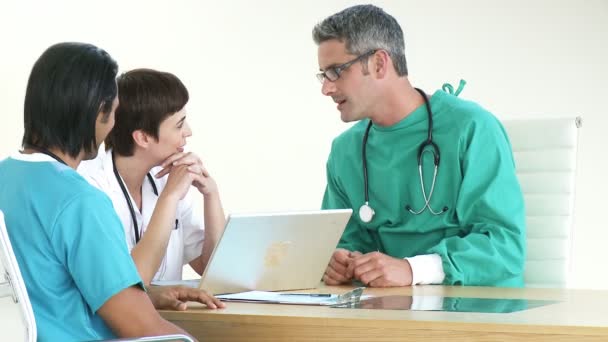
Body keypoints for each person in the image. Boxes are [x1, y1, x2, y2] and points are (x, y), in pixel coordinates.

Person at [0, 42, 223, 342]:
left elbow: (50, 292)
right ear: (95, 113)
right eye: (113, 112)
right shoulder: (80, 200)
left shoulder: (7, 177)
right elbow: (142, 328)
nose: (114, 125)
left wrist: (148, 297)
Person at [313, 5, 526, 287]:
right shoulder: (346, 151)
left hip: (476, 311)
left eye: (336, 72)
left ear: (379, 63)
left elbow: (505, 246)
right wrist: (340, 262)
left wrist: (413, 270)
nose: (326, 89)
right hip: (388, 313)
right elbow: (345, 241)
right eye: (323, 75)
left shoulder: (471, 128)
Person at [78, 68, 226, 285]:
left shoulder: (167, 179)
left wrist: (211, 194)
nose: (188, 131)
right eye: (179, 125)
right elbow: (126, 286)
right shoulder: (91, 189)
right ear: (143, 137)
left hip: (165, 318)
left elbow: (212, 269)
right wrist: (169, 198)